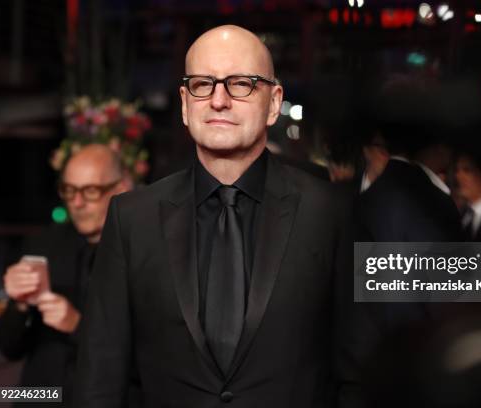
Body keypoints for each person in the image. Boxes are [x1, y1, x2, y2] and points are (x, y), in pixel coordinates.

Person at [75, 25, 359, 408]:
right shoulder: (131, 219)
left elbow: (360, 373)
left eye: (241, 83)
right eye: (203, 84)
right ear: (184, 103)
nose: (219, 100)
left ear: (274, 102)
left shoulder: (333, 212)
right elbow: (100, 378)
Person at [0, 144, 132, 407]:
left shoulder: (141, 251)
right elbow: (8, 348)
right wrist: (20, 305)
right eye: (69, 190)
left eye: (90, 191)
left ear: (120, 188)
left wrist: (78, 326)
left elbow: (150, 360)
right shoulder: (44, 245)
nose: (76, 203)